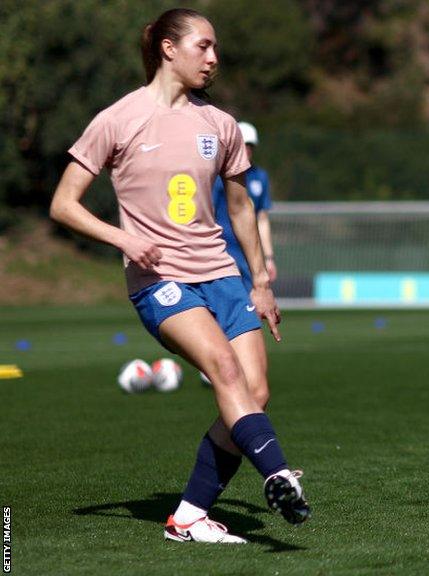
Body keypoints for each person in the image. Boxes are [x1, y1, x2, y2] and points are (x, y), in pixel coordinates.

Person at [49, 8, 309, 543]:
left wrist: (260, 281)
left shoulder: (220, 124)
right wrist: (123, 239)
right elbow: (63, 205)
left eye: (216, 50)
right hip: (160, 281)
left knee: (254, 392)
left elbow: (241, 209)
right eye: (203, 47)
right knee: (224, 370)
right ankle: (279, 473)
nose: (214, 59)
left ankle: (189, 515)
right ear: (169, 49)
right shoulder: (117, 119)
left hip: (224, 276)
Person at [212, 121, 276, 289]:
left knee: (254, 303)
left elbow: (262, 219)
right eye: (242, 144)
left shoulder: (260, 177)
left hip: (248, 252)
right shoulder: (218, 177)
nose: (246, 149)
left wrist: (268, 258)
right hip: (223, 249)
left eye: (250, 145)